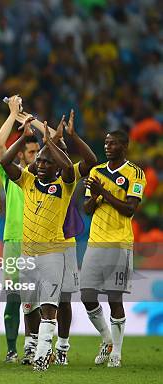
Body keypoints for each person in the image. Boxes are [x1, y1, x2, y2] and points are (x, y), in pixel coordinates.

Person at [0, 117, 76, 372]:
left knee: (49, 306)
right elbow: (4, 162)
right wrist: (22, 137)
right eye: (38, 160)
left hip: (53, 255)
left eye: (45, 161)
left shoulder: (64, 186)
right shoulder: (28, 181)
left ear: (56, 166)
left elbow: (69, 167)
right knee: (29, 304)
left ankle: (44, 353)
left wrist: (49, 143)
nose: (40, 164)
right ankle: (33, 347)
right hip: (26, 255)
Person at [81, 130, 146, 368]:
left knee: (114, 298)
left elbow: (129, 209)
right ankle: (107, 339)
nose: (107, 146)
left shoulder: (134, 173)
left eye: (113, 143)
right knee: (87, 295)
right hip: (95, 241)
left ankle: (116, 353)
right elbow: (87, 208)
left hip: (119, 241)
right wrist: (95, 196)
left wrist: (103, 193)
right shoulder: (96, 171)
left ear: (124, 146)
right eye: (106, 142)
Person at [0, 96, 40, 364]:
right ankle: (12, 348)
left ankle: (34, 346)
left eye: (38, 153)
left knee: (35, 299)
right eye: (31, 153)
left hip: (40, 242)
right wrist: (13, 115)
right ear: (22, 154)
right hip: (14, 240)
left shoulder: (46, 177)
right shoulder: (13, 175)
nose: (36, 157)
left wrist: (31, 122)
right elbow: (0, 144)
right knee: (13, 297)